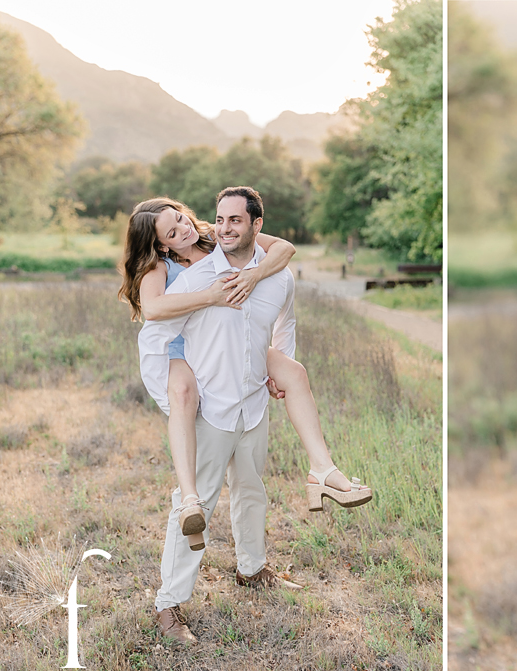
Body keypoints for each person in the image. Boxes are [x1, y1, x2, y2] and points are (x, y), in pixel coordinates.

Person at [136, 187, 360, 645]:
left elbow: (285, 321)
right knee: (193, 503)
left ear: (256, 225)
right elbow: (157, 329)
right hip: (210, 406)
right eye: (221, 220)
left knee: (252, 490)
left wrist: (277, 368)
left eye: (235, 220)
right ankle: (169, 605)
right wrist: (176, 390)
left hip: (253, 400)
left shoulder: (277, 275)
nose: (224, 228)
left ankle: (252, 569)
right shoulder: (195, 279)